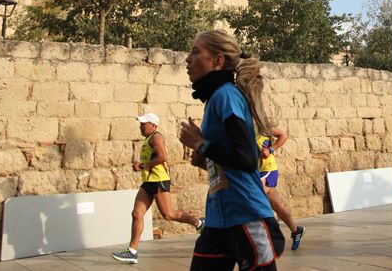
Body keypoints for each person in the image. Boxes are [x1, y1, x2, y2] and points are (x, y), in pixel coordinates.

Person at [179, 30, 284, 270]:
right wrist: (204, 157)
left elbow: (247, 159)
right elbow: (229, 159)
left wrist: (200, 144)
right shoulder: (215, 98)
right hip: (218, 219)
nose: (188, 59)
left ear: (217, 61)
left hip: (245, 214)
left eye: (196, 52)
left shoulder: (226, 96)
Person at [111, 113, 204, 264]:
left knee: (168, 214)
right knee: (136, 213)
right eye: (141, 124)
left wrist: (142, 165)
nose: (141, 126)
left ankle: (198, 223)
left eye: (144, 124)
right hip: (148, 182)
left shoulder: (156, 137)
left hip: (159, 180)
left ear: (153, 125)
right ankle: (132, 251)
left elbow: (163, 156)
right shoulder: (148, 139)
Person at [256, 127, 305, 250]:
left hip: (268, 170)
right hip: (255, 171)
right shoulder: (242, 127)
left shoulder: (262, 126)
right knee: (277, 205)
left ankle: (268, 236)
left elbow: (283, 135)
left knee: (255, 197)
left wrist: (271, 149)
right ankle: (296, 230)